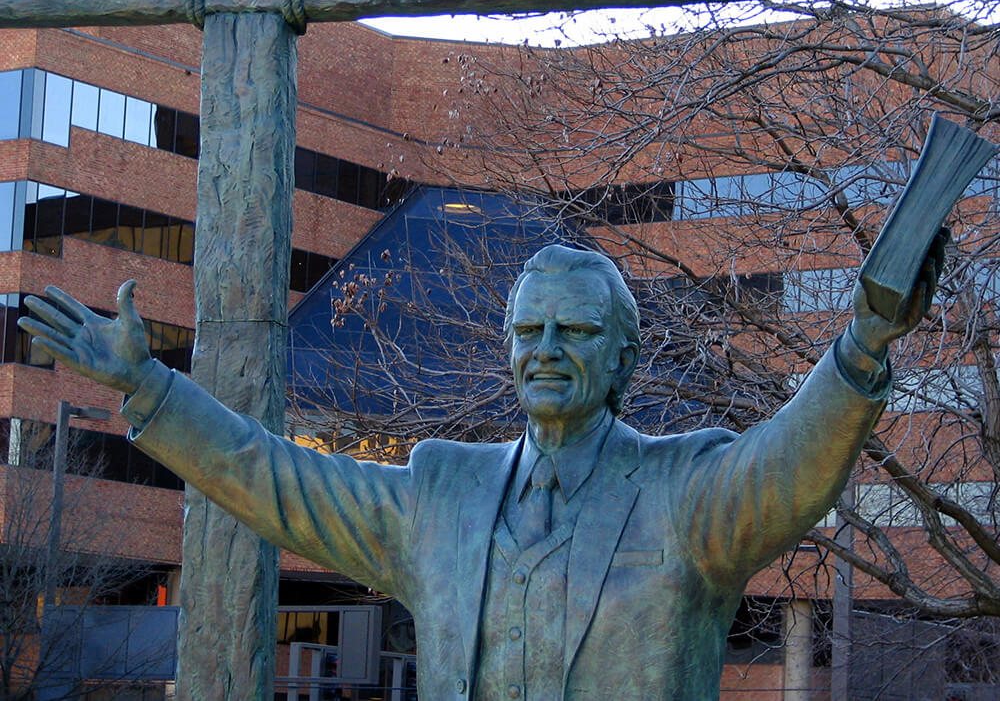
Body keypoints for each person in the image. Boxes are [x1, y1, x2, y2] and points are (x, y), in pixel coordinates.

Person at [18, 240, 945, 700]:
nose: (546, 348)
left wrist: (864, 341)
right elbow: (274, 478)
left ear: (624, 359)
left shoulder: (686, 496)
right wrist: (147, 387)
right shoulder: (440, 496)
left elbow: (789, 464)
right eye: (528, 330)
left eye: (575, 331)